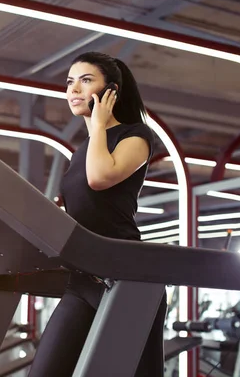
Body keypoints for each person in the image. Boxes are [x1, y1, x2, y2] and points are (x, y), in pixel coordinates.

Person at [28, 52, 167, 377]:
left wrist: (101, 124)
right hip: (83, 277)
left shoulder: (135, 137)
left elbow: (100, 178)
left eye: (86, 80)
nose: (74, 89)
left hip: (127, 277)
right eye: (70, 82)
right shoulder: (83, 151)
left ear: (111, 92)